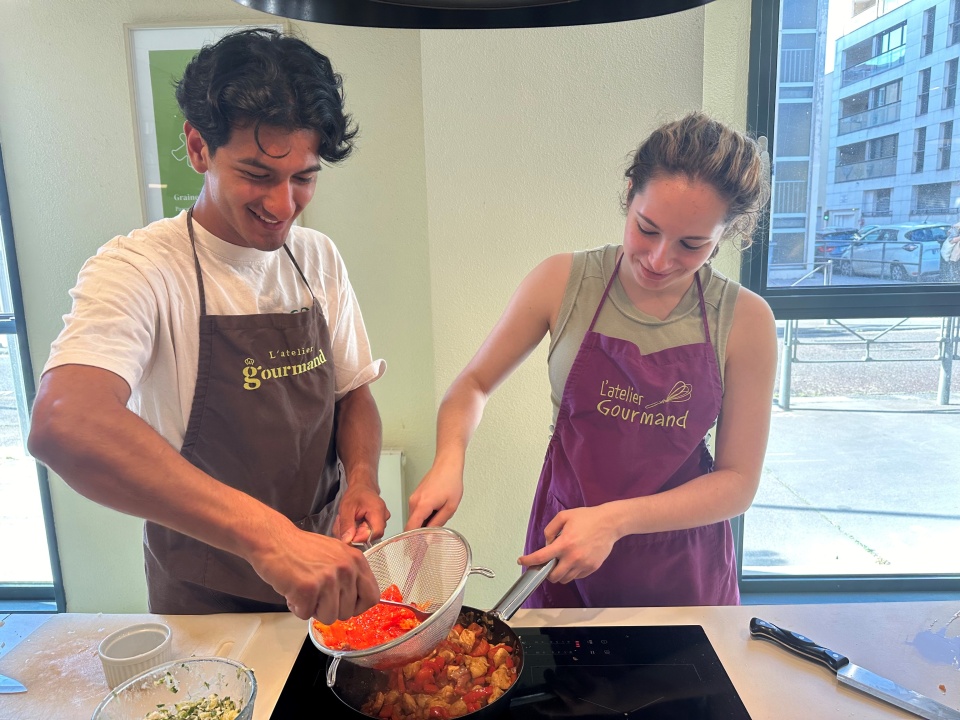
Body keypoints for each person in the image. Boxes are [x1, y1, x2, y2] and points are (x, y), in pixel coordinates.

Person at [28, 28, 387, 621]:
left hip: (325, 574)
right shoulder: (140, 267)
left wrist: (363, 480)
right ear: (198, 148)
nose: (282, 206)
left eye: (303, 177)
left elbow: (353, 394)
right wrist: (269, 538)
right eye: (257, 174)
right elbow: (65, 421)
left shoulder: (317, 256)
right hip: (203, 596)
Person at [406, 112, 777, 607]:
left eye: (693, 245)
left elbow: (737, 483)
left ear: (725, 235)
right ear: (629, 195)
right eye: (647, 229)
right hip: (565, 550)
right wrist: (449, 461)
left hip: (680, 565)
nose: (660, 260)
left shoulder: (746, 320)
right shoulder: (564, 281)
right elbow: (474, 383)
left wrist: (614, 520)